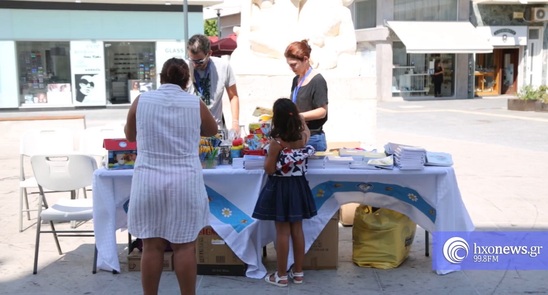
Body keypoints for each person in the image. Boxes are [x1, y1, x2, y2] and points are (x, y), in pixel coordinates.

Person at [124, 57, 218, 295]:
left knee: (151, 246)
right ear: (187, 81)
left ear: (161, 78)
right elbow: (212, 130)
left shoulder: (141, 101)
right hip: (185, 181)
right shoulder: (194, 103)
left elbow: (130, 135)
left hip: (148, 181)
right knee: (184, 247)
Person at [252, 98, 317, 287]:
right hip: (298, 187)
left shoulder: (277, 143)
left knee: (282, 232)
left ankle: (280, 275)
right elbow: (305, 130)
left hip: (281, 189)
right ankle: (298, 272)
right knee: (298, 229)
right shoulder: (302, 138)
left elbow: (269, 169)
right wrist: (301, 119)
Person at [187, 34, 241, 136]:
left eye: (199, 61)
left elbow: (233, 96)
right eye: (192, 60)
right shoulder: (184, 68)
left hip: (215, 130)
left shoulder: (223, 66)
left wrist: (235, 123)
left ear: (209, 53)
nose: (194, 65)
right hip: (191, 130)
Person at [284, 40, 329, 151]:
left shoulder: (317, 80)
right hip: (297, 135)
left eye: (294, 65)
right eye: (289, 65)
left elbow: (322, 111)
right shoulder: (296, 79)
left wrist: (299, 116)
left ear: (305, 59)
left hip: (313, 137)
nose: (292, 68)